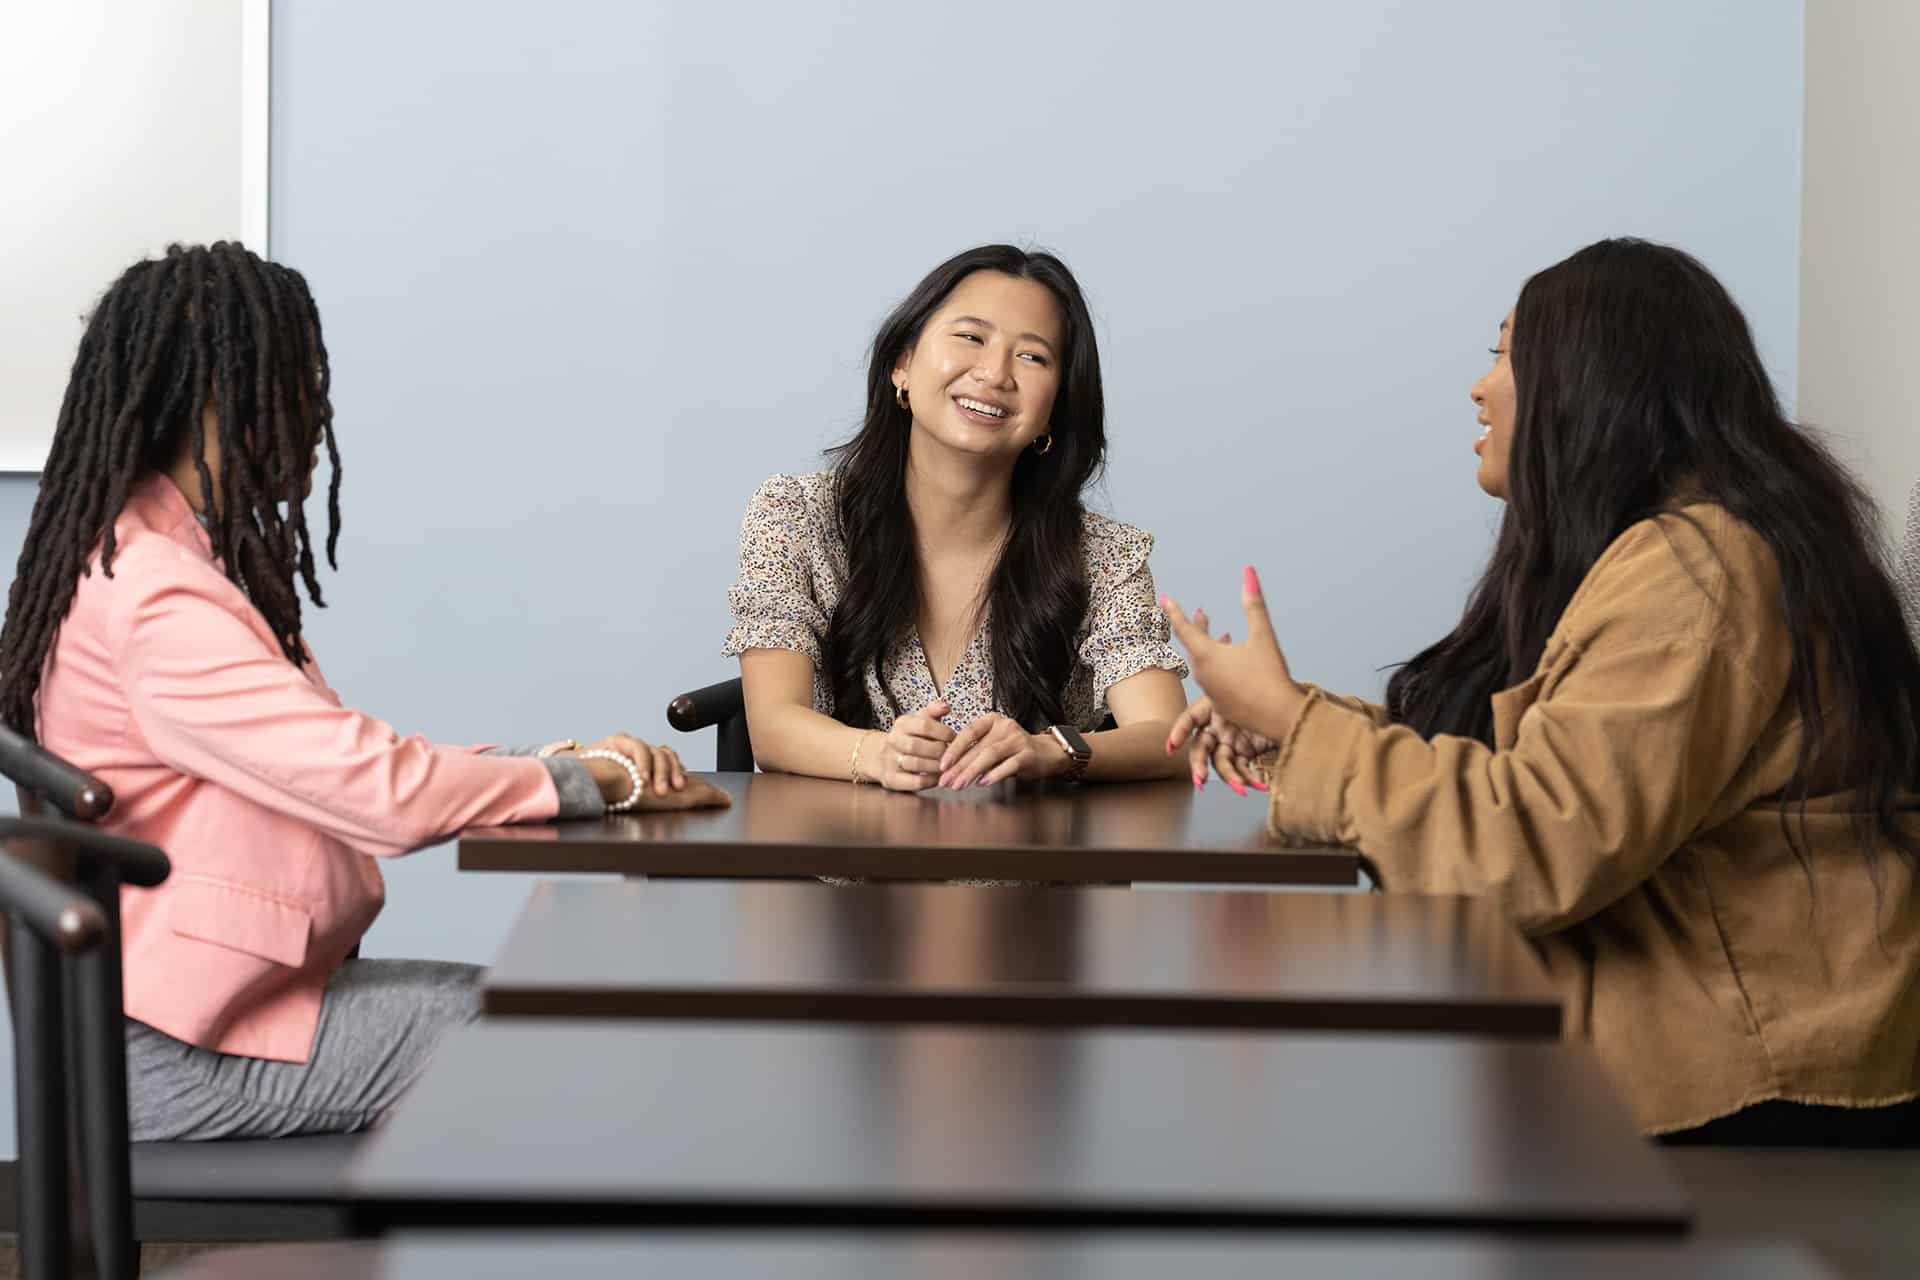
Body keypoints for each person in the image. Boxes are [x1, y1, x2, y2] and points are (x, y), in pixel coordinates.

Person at [1166, 238, 1920, 1144]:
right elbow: (1523, 773)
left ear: (1593, 383)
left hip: (1757, 1091)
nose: (1481, 389)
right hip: (1715, 1048)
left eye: (1504, 355)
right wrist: (1292, 729)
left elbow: (1528, 848)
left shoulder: (1700, 569)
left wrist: (1293, 718)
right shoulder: (1677, 549)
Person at [0, 242, 728, 1140]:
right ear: (217, 400)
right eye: (298, 379)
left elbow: (335, 756)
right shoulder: (156, 593)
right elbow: (374, 795)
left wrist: (547, 763)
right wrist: (595, 781)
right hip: (191, 1050)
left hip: (212, 1009)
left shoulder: (155, 557)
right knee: (548, 1040)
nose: (317, 410)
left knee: (541, 1022)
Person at [726, 244, 1187, 792]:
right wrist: (878, 755)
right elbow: (774, 728)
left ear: (1054, 410)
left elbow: (1169, 737)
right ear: (903, 363)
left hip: (1030, 869)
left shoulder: (1105, 557)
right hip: (844, 864)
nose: (994, 373)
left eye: (1033, 357)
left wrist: (1051, 750)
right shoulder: (794, 517)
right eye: (971, 337)